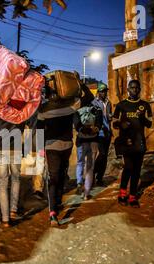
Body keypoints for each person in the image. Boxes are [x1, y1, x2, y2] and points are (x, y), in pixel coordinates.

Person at [37, 72, 94, 226]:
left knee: (54, 178)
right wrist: (79, 82)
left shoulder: (43, 109)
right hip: (66, 146)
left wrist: (39, 149)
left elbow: (39, 129)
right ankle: (56, 206)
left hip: (51, 147)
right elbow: (89, 98)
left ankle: (53, 211)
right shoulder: (72, 104)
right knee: (61, 176)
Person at [113, 79, 153, 207]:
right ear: (128, 89)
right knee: (128, 167)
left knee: (136, 170)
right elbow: (114, 123)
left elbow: (150, 124)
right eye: (132, 88)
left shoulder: (145, 105)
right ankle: (122, 194)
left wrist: (142, 117)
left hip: (139, 143)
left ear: (139, 89)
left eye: (137, 88)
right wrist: (121, 124)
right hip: (126, 142)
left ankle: (132, 197)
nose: (134, 90)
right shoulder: (121, 105)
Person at [0, 111, 25, 227]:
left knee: (3, 184)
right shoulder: (19, 110)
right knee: (15, 179)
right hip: (16, 147)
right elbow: (22, 127)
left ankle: (5, 219)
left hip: (0, 148)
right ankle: (13, 211)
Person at [74, 98, 103, 200]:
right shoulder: (97, 110)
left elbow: (77, 126)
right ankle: (86, 193)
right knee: (90, 166)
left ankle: (79, 182)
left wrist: (83, 129)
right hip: (93, 141)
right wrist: (94, 129)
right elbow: (100, 124)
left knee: (80, 162)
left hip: (81, 141)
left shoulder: (77, 111)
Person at [92, 83, 113, 186]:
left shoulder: (109, 103)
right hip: (99, 132)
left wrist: (110, 118)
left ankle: (100, 178)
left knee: (105, 158)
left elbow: (109, 117)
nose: (104, 93)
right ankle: (92, 172)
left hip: (108, 132)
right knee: (102, 154)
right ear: (98, 92)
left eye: (105, 91)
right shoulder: (94, 103)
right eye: (102, 91)